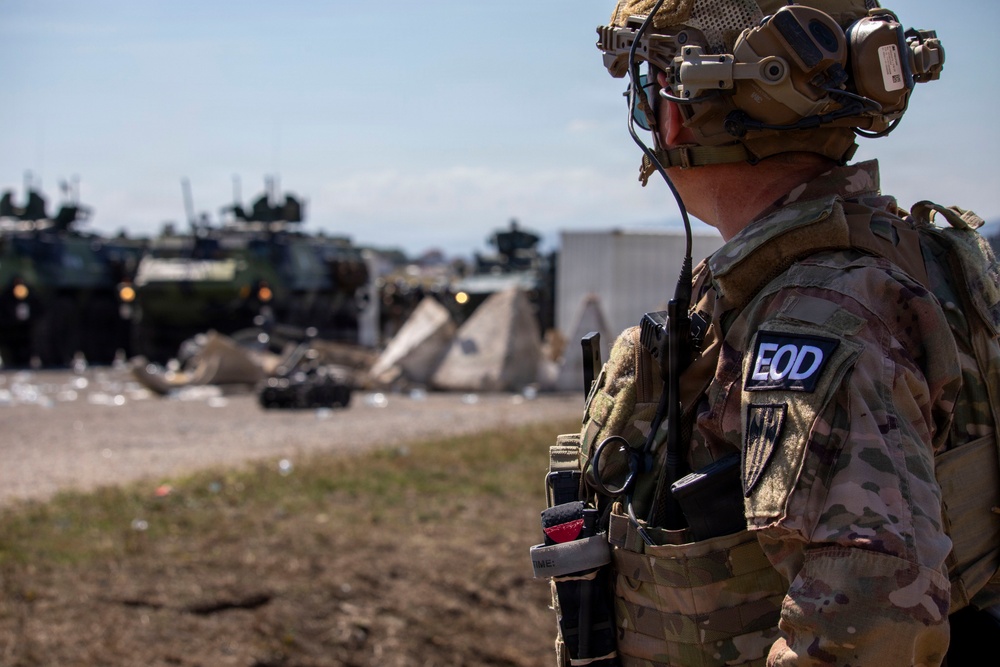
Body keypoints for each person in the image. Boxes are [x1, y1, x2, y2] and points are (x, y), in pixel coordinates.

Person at [533, 1, 1000, 665]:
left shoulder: (813, 319)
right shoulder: (893, 267)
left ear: (683, 110)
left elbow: (866, 622)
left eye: (645, 92)